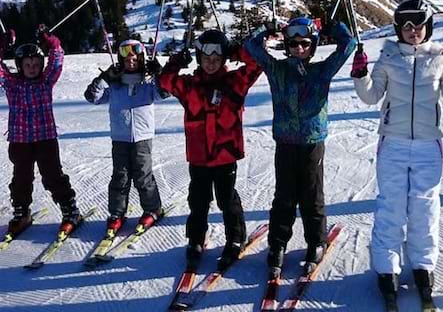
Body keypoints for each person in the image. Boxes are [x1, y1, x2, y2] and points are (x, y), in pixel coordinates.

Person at [350, 0, 443, 307]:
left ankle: (423, 265)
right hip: (394, 142)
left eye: (419, 26)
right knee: (391, 205)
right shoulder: (389, 56)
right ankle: (387, 268)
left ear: (428, 28)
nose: (413, 32)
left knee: (425, 207)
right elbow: (371, 96)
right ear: (398, 29)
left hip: (429, 144)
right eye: (406, 26)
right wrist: (360, 75)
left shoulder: (441, 56)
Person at [244, 16, 356, 277]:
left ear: (313, 45)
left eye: (305, 44)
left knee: (311, 196)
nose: (299, 49)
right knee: (283, 197)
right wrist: (267, 29)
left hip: (311, 142)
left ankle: (315, 241)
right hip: (285, 142)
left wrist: (333, 26)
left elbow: (348, 45)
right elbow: (251, 46)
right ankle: (278, 244)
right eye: (293, 44)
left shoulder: (322, 71)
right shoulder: (277, 69)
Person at [158, 30, 262, 269]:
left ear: (224, 58)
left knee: (227, 199)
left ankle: (235, 238)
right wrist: (175, 62)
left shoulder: (235, 82)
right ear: (199, 59)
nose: (212, 63)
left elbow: (257, 63)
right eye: (206, 58)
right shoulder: (189, 87)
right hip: (200, 157)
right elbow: (164, 81)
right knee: (198, 200)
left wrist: (237, 50)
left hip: (225, 155)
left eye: (217, 58)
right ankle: (196, 239)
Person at [0, 25, 81, 235]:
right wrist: (2, 45)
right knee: (21, 178)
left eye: (36, 64)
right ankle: (21, 212)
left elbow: (57, 60)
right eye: (27, 65)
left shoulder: (46, 81)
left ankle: (70, 210)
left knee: (53, 175)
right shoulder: (12, 84)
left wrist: (51, 41)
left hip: (45, 138)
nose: (32, 68)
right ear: (20, 66)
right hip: (20, 141)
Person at [84, 38, 169, 235]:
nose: (130, 61)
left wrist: (158, 73)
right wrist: (105, 77)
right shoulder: (115, 86)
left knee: (142, 175)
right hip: (120, 138)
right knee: (120, 177)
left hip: (142, 137)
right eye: (126, 59)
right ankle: (116, 213)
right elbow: (92, 97)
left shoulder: (147, 85)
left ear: (142, 59)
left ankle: (153, 208)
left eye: (134, 58)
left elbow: (165, 92)